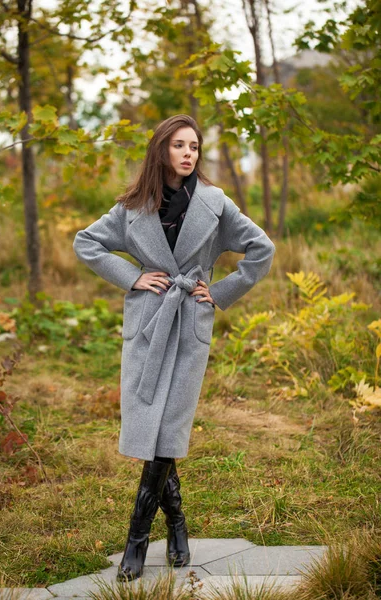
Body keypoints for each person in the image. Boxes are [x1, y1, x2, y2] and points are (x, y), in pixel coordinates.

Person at [72, 114, 276, 582]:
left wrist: (219, 291)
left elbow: (260, 248)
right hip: (147, 324)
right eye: (180, 145)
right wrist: (133, 276)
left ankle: (136, 540)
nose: (189, 154)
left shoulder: (214, 203)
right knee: (151, 424)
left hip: (189, 325)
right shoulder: (132, 207)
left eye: (196, 147)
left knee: (169, 426)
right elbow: (87, 243)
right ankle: (178, 527)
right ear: (162, 149)